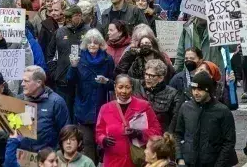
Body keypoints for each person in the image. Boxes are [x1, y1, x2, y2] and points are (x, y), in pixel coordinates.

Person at [66, 29, 115, 163]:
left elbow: (114, 83)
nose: (92, 45)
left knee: (102, 145)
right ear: (85, 44)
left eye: (96, 42)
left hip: (102, 107)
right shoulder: (79, 59)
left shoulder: (108, 59)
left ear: (100, 44)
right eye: (89, 42)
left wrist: (106, 81)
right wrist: (73, 67)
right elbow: (70, 82)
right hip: (84, 107)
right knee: (87, 144)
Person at [95, 74, 162, 167]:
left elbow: (157, 131)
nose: (124, 91)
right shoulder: (105, 108)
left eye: (127, 87)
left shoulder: (144, 106)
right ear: (115, 87)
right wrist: (103, 140)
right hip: (112, 160)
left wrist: (140, 134)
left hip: (137, 159)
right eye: (120, 87)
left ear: (132, 87)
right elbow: (98, 133)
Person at [173, 71, 237, 167]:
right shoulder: (185, 108)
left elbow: (229, 142)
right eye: (193, 89)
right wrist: (180, 158)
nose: (195, 93)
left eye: (200, 89)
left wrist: (219, 165)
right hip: (189, 162)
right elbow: (178, 134)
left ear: (208, 90)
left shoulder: (223, 111)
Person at [20, 66, 70, 152]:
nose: (22, 84)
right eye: (22, 80)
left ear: (38, 83)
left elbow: (66, 133)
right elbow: (11, 131)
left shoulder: (56, 102)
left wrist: (54, 155)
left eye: (26, 81)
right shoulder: (19, 100)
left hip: (47, 157)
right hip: (23, 155)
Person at [138, 59, 183, 133]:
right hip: (141, 134)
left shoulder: (173, 94)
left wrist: (169, 134)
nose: (147, 78)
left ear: (161, 78)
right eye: (146, 74)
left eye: (151, 75)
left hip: (160, 135)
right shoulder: (139, 88)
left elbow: (176, 119)